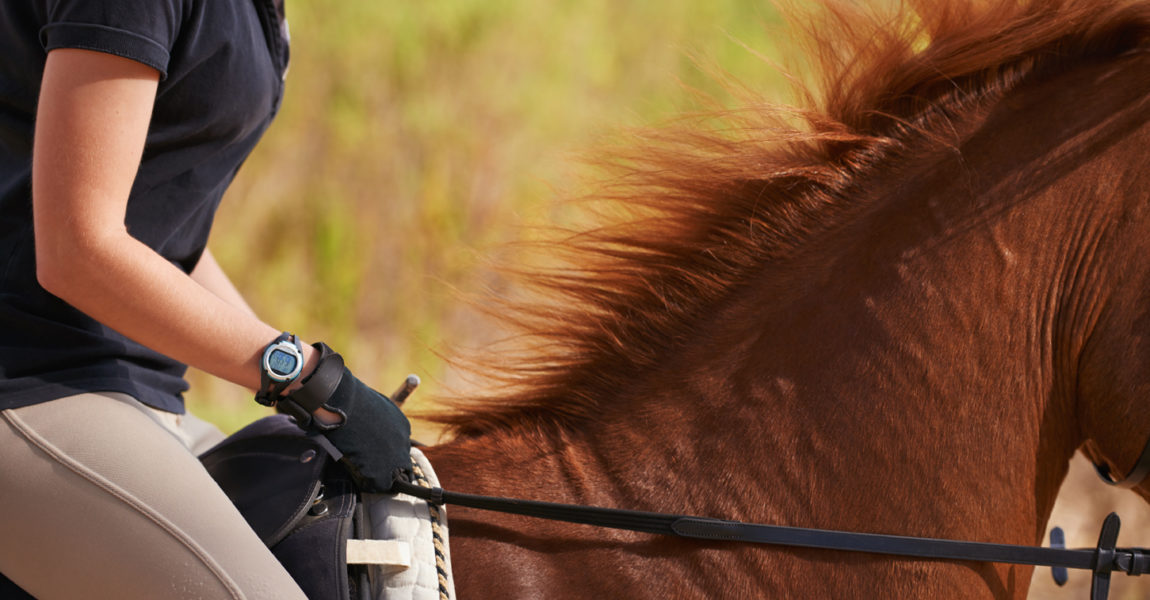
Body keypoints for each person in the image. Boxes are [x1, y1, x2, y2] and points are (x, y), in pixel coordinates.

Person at [0, 1, 411, 598]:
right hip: (28, 378)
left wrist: (315, 391)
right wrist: (305, 376)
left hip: (125, 385)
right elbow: (77, 249)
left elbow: (161, 233)